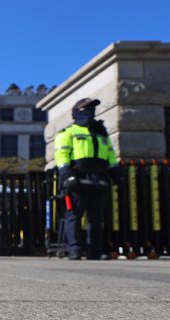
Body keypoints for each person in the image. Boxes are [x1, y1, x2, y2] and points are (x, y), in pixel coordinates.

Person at [54, 98, 119, 260]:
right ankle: (74, 249)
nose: (91, 112)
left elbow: (110, 154)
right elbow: (61, 155)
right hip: (78, 178)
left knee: (96, 219)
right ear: (77, 112)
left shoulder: (101, 133)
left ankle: (94, 251)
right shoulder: (68, 132)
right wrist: (67, 175)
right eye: (86, 109)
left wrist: (116, 172)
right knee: (74, 216)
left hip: (99, 179)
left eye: (92, 109)